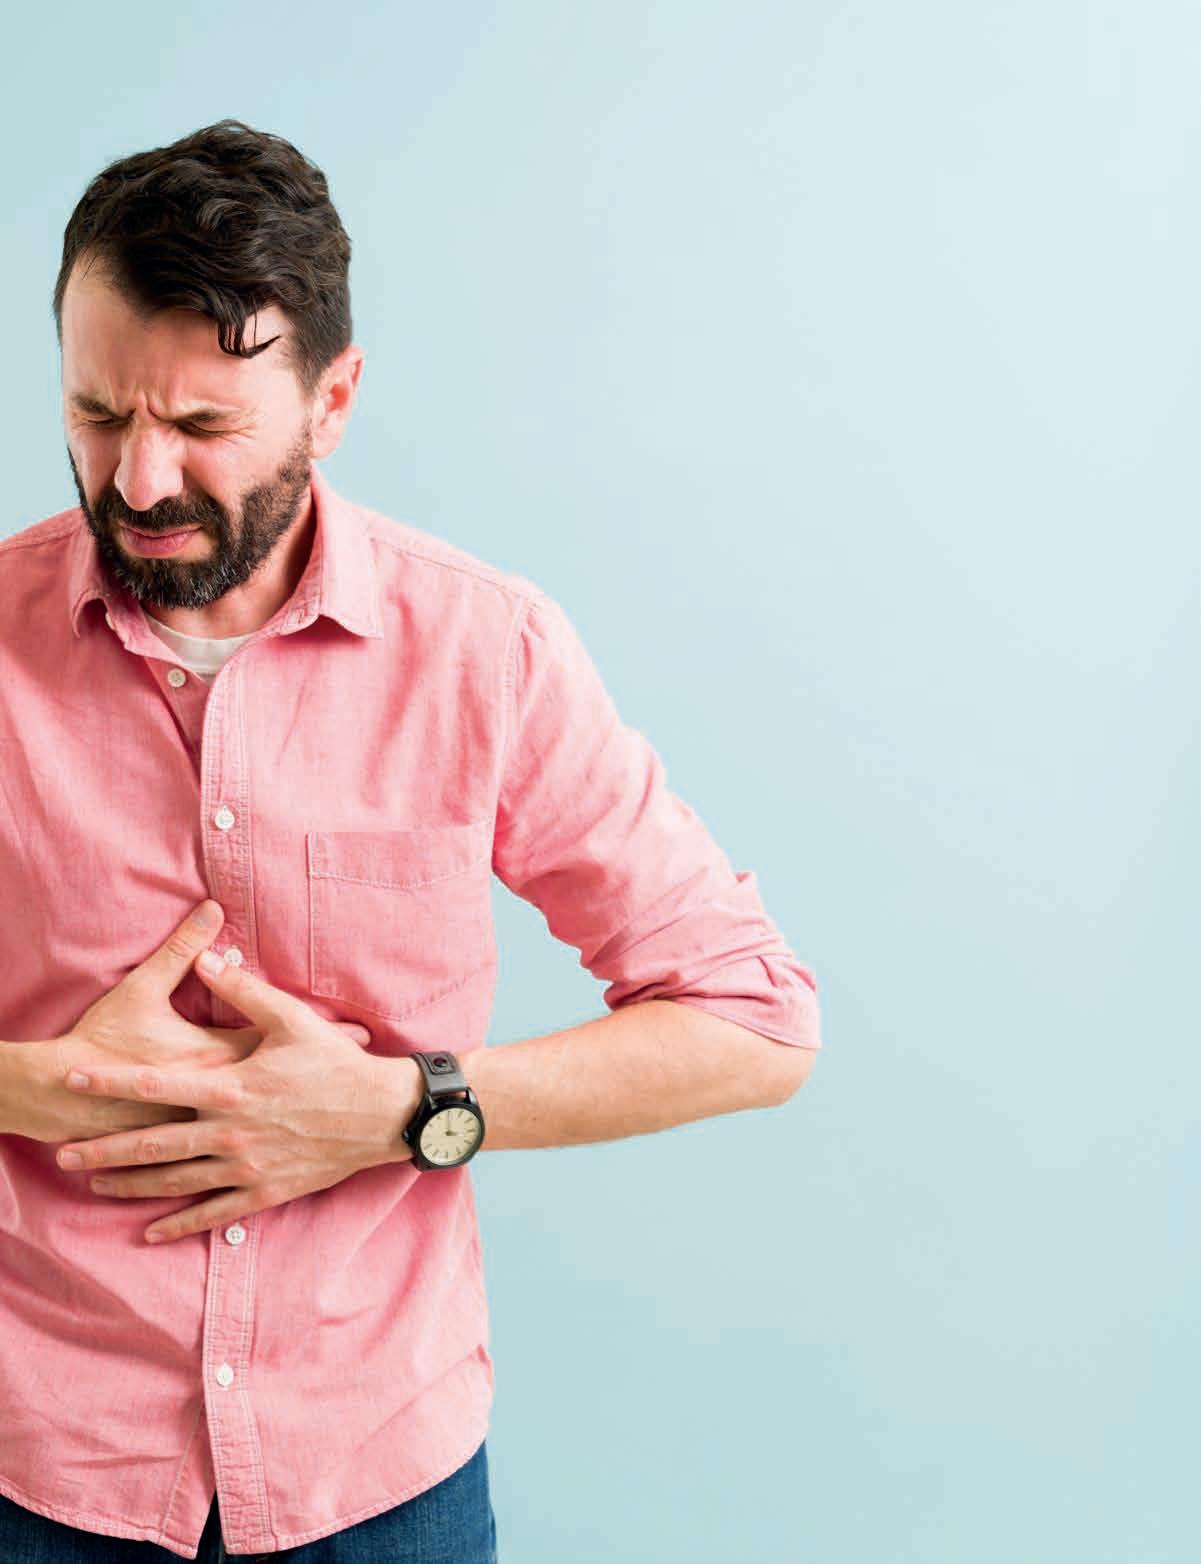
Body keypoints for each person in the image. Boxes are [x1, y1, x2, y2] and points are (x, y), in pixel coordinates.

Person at [0, 118, 822, 1562]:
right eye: (97, 414)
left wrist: (401, 1109)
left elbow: (755, 1023)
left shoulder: (484, 651)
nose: (137, 481)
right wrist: (26, 1088)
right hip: (35, 1467)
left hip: (378, 1480)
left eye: (203, 428)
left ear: (332, 400)